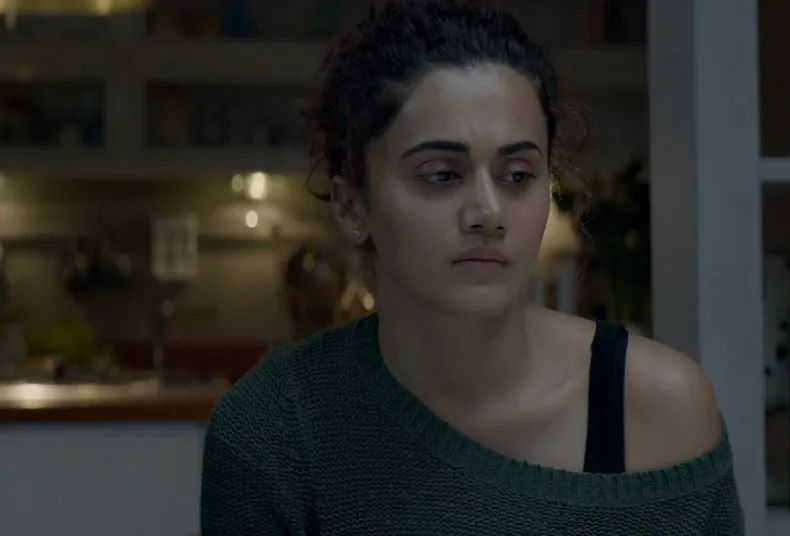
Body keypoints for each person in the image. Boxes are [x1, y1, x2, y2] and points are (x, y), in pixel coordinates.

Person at [199, 1, 743, 535]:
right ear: (351, 206)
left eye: (517, 175)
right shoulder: (277, 428)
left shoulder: (659, 409)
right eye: (441, 174)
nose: (488, 213)